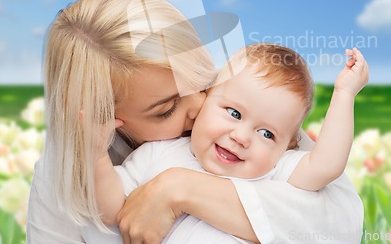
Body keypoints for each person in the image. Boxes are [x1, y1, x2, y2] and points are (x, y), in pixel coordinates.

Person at [27, 0, 364, 244]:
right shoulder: (65, 171)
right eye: (167, 109)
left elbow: (340, 224)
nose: (198, 106)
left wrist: (179, 189)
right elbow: (110, 209)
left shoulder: (247, 106)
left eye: (202, 82)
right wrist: (96, 155)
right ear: (105, 118)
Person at [93, 43, 368, 243]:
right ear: (205, 96)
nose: (241, 137)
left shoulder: (276, 172)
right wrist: (96, 156)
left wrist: (344, 94)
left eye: (267, 134)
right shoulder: (158, 152)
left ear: (290, 145)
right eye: (234, 113)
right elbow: (112, 211)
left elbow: (327, 164)